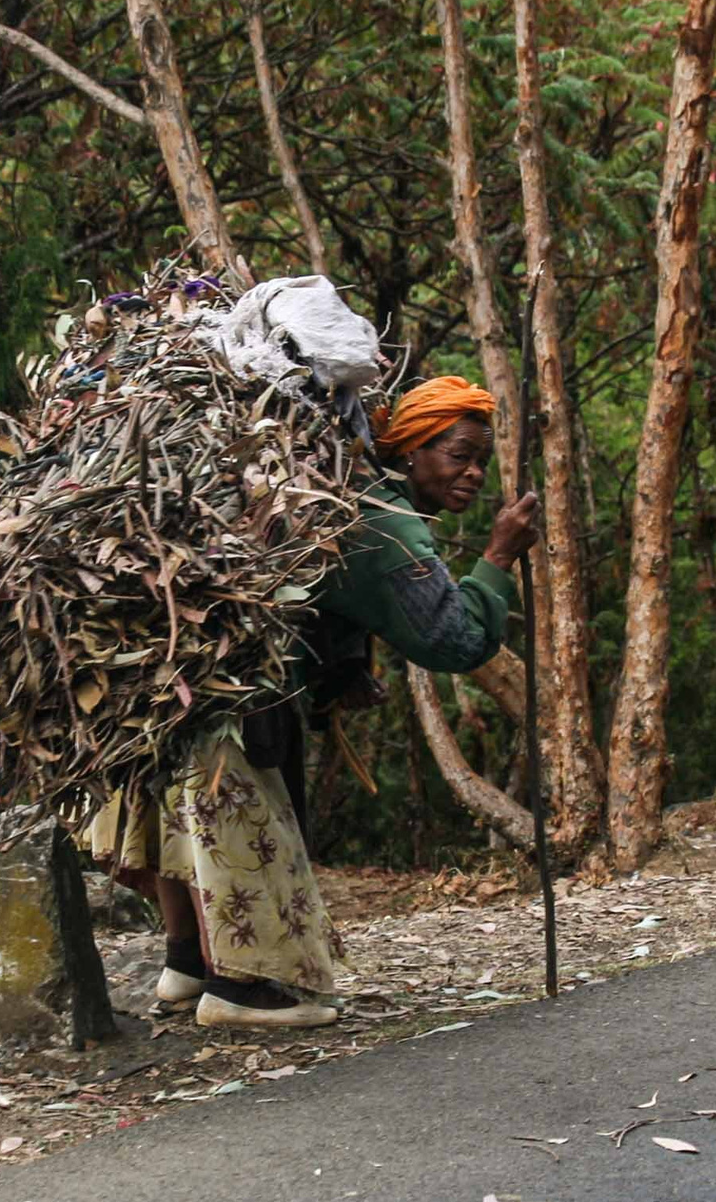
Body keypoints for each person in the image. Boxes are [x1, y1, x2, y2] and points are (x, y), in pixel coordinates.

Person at [79, 374, 541, 1028]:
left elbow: (312, 605)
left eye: (481, 462)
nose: (472, 474)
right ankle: (247, 990)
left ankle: (187, 964)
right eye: (458, 454)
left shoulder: (347, 494)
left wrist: (337, 673)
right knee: (245, 837)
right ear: (410, 451)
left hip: (178, 697)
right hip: (232, 713)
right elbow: (452, 639)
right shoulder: (387, 527)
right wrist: (497, 556)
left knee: (193, 824)